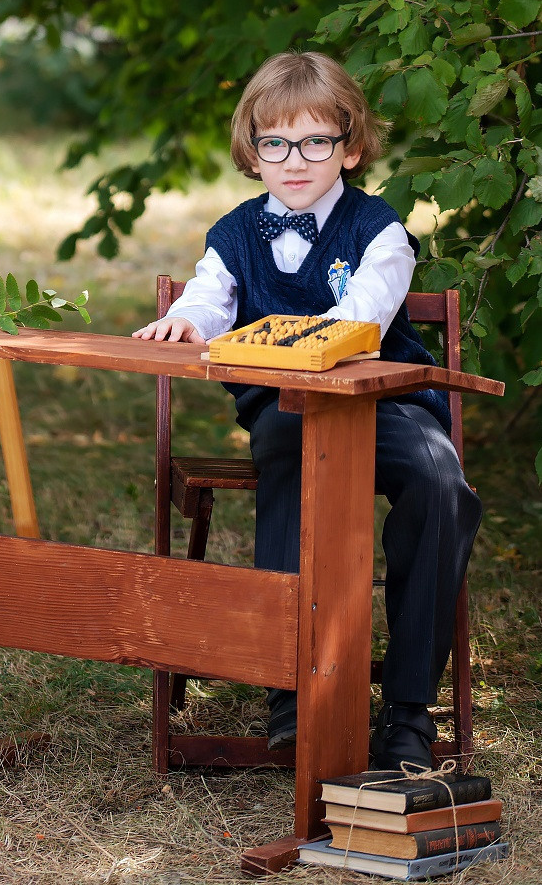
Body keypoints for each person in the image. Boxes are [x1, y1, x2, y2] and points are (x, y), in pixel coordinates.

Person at [133, 51, 482, 769]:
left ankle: (409, 711)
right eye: (276, 143)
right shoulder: (233, 236)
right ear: (252, 151)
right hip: (287, 412)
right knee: (292, 443)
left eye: (316, 141)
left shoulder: (379, 230)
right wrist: (190, 322)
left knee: (441, 480)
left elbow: (360, 319)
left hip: (385, 409)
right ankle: (292, 694)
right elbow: (208, 295)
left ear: (349, 148)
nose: (296, 160)